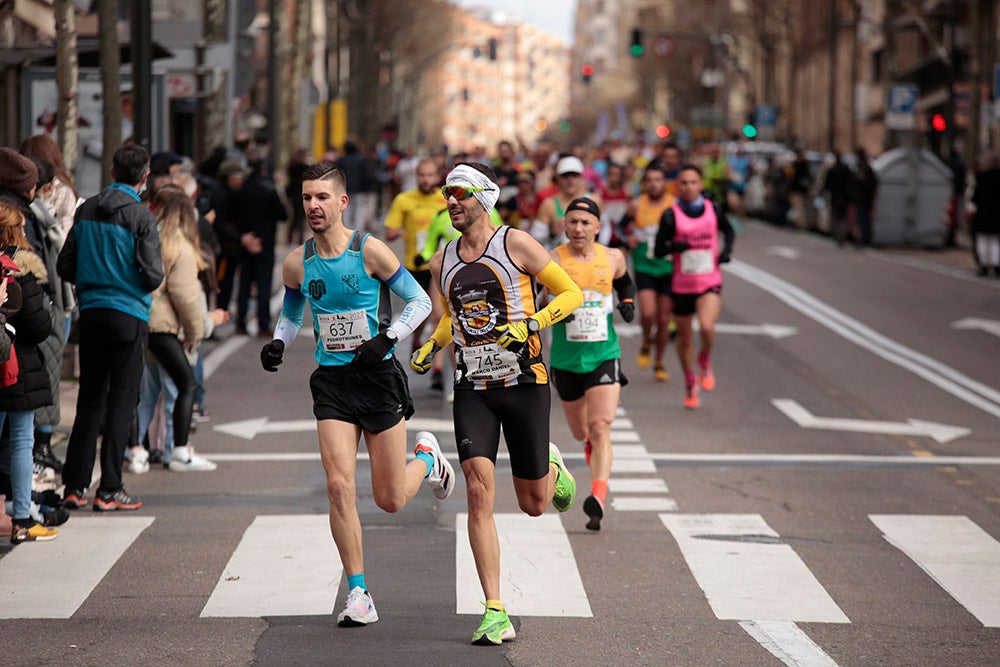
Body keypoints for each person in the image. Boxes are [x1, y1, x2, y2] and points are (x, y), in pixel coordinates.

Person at [258, 161, 453, 628]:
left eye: (322, 197)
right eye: (307, 198)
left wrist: (388, 339)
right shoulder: (297, 262)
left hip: (379, 378)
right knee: (339, 486)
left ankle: (427, 459)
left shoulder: (371, 251)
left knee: (389, 499)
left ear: (342, 201)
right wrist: (279, 342)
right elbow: (291, 312)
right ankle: (359, 592)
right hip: (332, 383)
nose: (313, 206)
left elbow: (422, 301)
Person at [410, 162, 582, 645]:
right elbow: (451, 320)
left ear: (484, 195)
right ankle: (494, 608)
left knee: (533, 505)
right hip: (473, 390)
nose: (451, 200)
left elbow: (570, 293)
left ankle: (551, 467)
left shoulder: (517, 244)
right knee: (478, 490)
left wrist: (531, 324)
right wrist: (432, 345)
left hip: (525, 383)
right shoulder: (444, 258)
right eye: (447, 193)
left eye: (460, 191)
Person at [57, 143, 163, 511]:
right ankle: (110, 488)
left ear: (113, 171)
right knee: (121, 402)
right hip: (128, 314)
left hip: (92, 313)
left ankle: (73, 486)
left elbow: (64, 266)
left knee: (90, 400)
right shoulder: (141, 217)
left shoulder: (85, 210)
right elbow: (152, 276)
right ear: (145, 177)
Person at [547, 198, 634, 531]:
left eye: (585, 222)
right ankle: (590, 449)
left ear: (599, 226)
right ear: (564, 225)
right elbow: (537, 296)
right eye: (572, 222)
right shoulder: (553, 259)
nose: (578, 228)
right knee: (581, 431)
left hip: (603, 354)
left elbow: (625, 281)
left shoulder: (612, 257)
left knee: (601, 426)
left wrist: (626, 302)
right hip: (566, 359)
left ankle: (597, 495)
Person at [130, 188, 212, 472]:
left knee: (141, 391)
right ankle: (178, 450)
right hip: (163, 325)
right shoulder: (180, 246)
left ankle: (134, 449)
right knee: (186, 384)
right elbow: (186, 297)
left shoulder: (145, 235)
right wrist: (194, 332)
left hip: (138, 320)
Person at [654, 164, 734, 409]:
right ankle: (690, 380)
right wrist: (674, 247)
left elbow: (728, 231)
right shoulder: (671, 215)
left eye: (693, 182)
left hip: (709, 280)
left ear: (701, 185)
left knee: (707, 326)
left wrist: (726, 252)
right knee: (685, 337)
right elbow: (659, 249)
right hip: (681, 285)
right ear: (678, 187)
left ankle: (705, 358)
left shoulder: (714, 209)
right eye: (684, 183)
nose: (689, 187)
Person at [0, 203, 57, 542]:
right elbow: (39, 326)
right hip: (17, 368)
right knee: (22, 442)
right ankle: (22, 516)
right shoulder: (21, 267)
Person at [383, 157, 446, 350]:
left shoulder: (444, 199)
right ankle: (417, 338)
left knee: (438, 312)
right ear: (416, 176)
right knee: (421, 310)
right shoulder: (404, 199)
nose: (425, 179)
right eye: (422, 175)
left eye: (430, 175)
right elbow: (390, 232)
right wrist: (405, 231)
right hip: (414, 264)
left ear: (437, 177)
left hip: (439, 264)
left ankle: (435, 356)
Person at [623, 164, 675, 382]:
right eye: (650, 180)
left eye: (658, 179)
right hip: (644, 266)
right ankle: (646, 340)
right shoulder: (636, 205)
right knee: (648, 313)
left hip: (668, 268)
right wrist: (629, 239)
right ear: (645, 184)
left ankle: (659, 361)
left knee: (663, 320)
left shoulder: (674, 206)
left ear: (665, 183)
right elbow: (619, 227)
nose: (654, 184)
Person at [233, 151, 287, 336]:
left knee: (244, 283)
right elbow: (283, 214)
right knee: (264, 285)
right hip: (265, 242)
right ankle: (263, 325)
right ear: (263, 168)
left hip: (245, 240)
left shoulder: (241, 189)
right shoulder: (268, 189)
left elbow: (233, 214)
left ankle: (240, 323)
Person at [532, 155, 602, 249]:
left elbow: (604, 231)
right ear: (558, 178)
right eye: (565, 175)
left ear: (581, 177)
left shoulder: (594, 200)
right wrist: (552, 233)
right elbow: (535, 238)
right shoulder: (549, 204)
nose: (570, 180)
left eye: (574, 175)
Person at [971, 152, 1000, 277]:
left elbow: (974, 198)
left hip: (983, 214)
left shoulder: (982, 178)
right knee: (995, 241)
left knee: (982, 240)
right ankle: (996, 264)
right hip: (997, 215)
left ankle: (983, 265)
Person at [852, 148, 878, 246]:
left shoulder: (865, 168)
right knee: (862, 219)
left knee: (864, 220)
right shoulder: (862, 167)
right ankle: (864, 238)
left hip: (864, 199)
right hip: (862, 198)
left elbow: (871, 184)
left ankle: (865, 239)